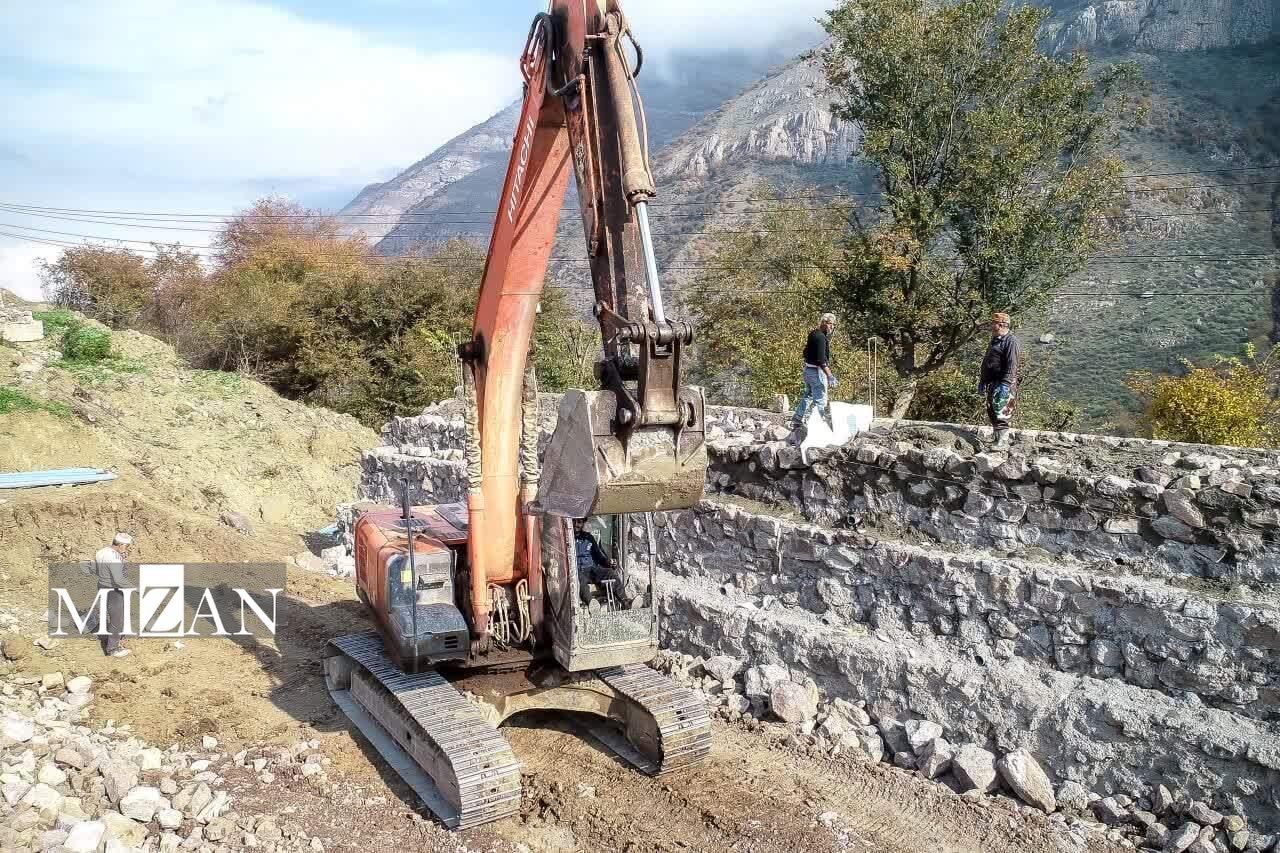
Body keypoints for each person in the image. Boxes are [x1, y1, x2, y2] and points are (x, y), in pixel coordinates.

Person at [978, 312, 1022, 447]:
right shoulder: (995, 340)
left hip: (1004, 383)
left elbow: (1012, 365)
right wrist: (983, 380)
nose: (991, 325)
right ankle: (997, 439)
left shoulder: (1011, 341)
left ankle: (1002, 442)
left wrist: (1005, 384)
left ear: (1002, 325)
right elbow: (988, 361)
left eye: (994, 323)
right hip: (993, 382)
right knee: (992, 410)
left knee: (1002, 411)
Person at [790, 312, 839, 429]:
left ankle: (797, 419)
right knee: (821, 400)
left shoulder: (813, 333)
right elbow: (821, 360)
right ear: (824, 323)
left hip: (808, 370)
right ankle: (818, 426)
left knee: (808, 396)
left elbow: (805, 352)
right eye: (830, 324)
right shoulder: (821, 337)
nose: (832, 327)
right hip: (817, 372)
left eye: (833, 324)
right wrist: (830, 375)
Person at [93, 533, 133, 658]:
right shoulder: (114, 558)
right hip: (114, 589)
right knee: (117, 618)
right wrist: (134, 588)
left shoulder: (101, 552)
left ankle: (112, 636)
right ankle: (113, 648)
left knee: (113, 614)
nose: (127, 549)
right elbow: (118, 579)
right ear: (121, 545)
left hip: (102, 585)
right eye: (127, 546)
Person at [572, 519, 626, 608]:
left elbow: (599, 557)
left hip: (591, 569)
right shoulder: (566, 539)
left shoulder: (588, 537)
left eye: (579, 522)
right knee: (578, 578)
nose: (576, 524)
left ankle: (625, 601)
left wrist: (608, 562)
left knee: (610, 573)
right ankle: (593, 606)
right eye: (574, 521)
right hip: (576, 570)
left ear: (583, 523)